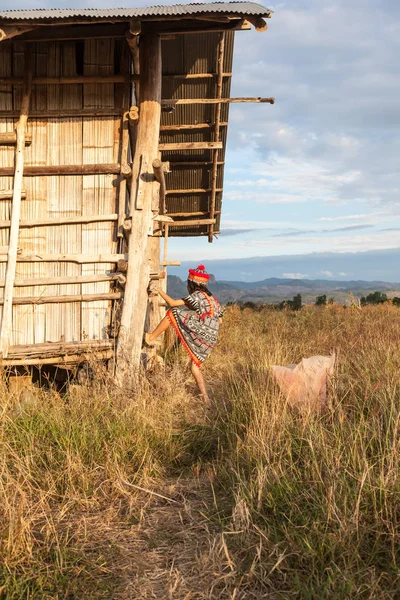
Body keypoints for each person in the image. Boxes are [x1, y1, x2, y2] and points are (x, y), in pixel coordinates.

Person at [144, 264, 223, 402]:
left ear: (192, 283)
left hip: (203, 331)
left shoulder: (197, 296)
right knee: (194, 365)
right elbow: (220, 321)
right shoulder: (213, 300)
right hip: (211, 338)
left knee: (173, 313)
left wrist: (158, 290)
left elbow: (173, 303)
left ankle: (151, 337)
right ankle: (205, 397)